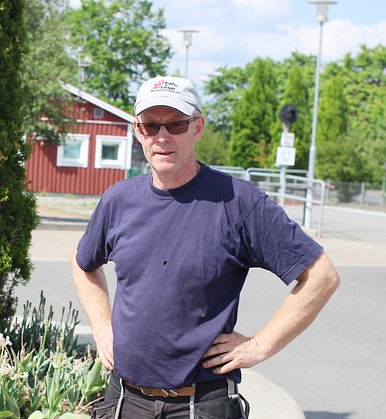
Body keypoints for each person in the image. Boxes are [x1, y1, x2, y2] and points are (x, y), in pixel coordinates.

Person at [73, 75, 340, 419]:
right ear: (138, 131)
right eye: (151, 126)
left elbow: (321, 276)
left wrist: (259, 346)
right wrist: (101, 326)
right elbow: (84, 263)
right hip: (124, 401)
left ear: (197, 128)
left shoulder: (240, 203)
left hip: (201, 405)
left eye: (176, 124)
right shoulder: (118, 200)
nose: (162, 137)